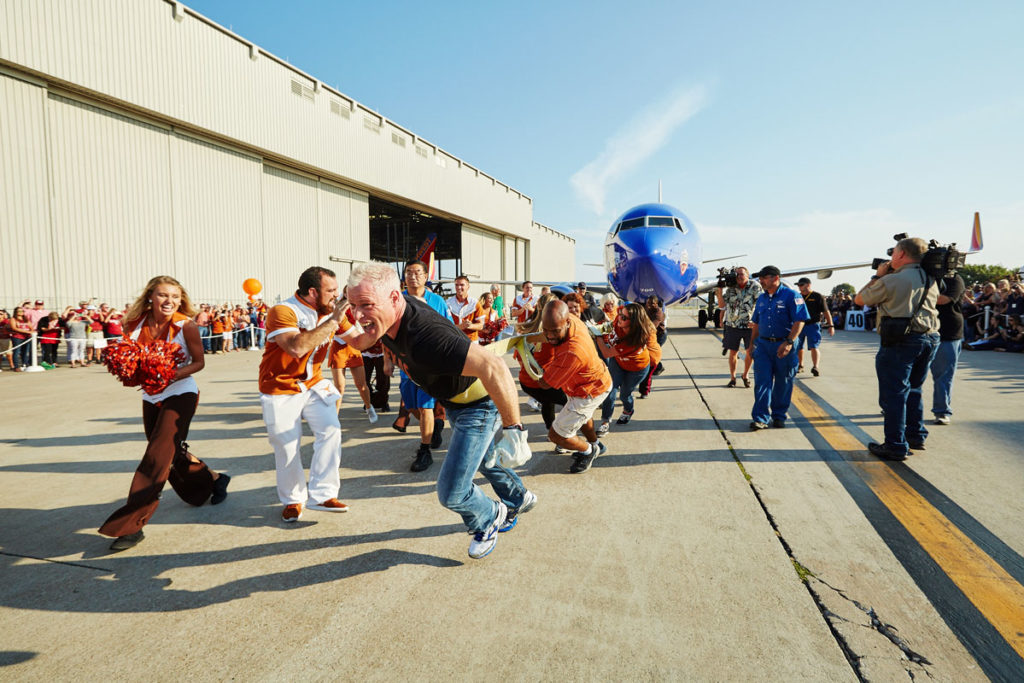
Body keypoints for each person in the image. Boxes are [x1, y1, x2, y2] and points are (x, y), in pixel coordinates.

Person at [344, 262, 535, 559]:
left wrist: (514, 430)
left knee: (453, 492)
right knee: (484, 461)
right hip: (455, 403)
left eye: (366, 305)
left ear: (395, 298)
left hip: (477, 406)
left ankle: (488, 517)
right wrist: (330, 324)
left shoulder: (426, 335)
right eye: (353, 304)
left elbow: (494, 366)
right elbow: (360, 339)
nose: (357, 314)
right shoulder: (385, 316)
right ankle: (519, 497)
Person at [99, 276, 230, 551]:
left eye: (175, 296)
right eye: (162, 295)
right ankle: (215, 479)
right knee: (169, 452)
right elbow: (128, 358)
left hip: (181, 393)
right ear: (150, 297)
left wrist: (170, 375)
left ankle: (132, 525)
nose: (169, 301)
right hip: (150, 395)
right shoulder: (132, 324)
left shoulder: (187, 325)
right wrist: (130, 371)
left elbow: (199, 363)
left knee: (156, 457)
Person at [259, 266, 351, 522]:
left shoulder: (330, 311)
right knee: (286, 446)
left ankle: (323, 495)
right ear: (313, 292)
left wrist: (382, 322)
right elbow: (295, 348)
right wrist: (332, 320)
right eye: (331, 290)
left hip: (313, 384)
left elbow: (360, 340)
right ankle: (293, 499)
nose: (336, 295)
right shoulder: (283, 311)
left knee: (331, 430)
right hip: (280, 387)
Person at [854, 238, 940, 461]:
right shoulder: (929, 277)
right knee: (914, 389)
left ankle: (895, 444)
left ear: (901, 255)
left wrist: (878, 276)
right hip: (929, 338)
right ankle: (916, 435)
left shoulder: (894, 279)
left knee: (894, 394)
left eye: (894, 253)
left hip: (901, 341)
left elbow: (860, 299)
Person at [536, 299, 612, 474]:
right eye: (546, 331)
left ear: (566, 322)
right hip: (594, 382)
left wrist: (530, 361)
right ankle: (595, 444)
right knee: (583, 419)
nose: (550, 336)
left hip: (588, 391)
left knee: (556, 435)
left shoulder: (572, 352)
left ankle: (587, 451)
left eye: (555, 331)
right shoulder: (571, 319)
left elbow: (545, 383)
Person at [392, 259, 452, 472]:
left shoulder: (437, 301)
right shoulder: (397, 301)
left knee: (425, 406)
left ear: (426, 276)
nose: (412, 275)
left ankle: (424, 451)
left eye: (417, 272)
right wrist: (386, 361)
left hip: (429, 365)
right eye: (409, 272)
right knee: (413, 408)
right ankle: (435, 425)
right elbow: (387, 332)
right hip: (406, 366)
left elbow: (449, 330)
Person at [749, 266, 809, 430]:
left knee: (784, 381)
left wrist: (789, 342)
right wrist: (751, 345)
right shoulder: (761, 298)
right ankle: (761, 418)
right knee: (762, 382)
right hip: (763, 345)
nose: (760, 281)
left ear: (775, 278)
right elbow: (756, 323)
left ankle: (779, 415)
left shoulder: (791, 296)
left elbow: (800, 320)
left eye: (763, 278)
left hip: (784, 345)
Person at [595, 302, 661, 434]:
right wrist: (601, 328)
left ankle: (628, 410)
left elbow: (607, 353)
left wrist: (597, 336)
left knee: (625, 394)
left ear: (634, 323)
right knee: (610, 390)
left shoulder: (635, 340)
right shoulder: (619, 321)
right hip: (619, 362)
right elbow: (609, 326)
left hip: (637, 368)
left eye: (624, 318)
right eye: (620, 315)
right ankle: (605, 421)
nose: (619, 318)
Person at [328, 288, 376, 424]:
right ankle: (334, 417)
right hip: (338, 347)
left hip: (353, 345)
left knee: (361, 384)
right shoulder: (336, 306)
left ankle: (368, 407)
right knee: (339, 386)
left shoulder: (358, 307)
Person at [929, 273, 965, 425]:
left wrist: (916, 294)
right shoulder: (924, 275)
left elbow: (942, 300)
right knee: (909, 374)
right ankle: (898, 408)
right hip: (924, 329)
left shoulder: (955, 279)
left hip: (948, 333)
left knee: (943, 376)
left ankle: (942, 411)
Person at [716, 267, 761, 388]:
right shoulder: (731, 288)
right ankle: (732, 378)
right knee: (733, 353)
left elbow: (762, 304)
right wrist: (719, 291)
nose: (739, 276)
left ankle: (745, 375)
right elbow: (721, 305)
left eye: (742, 274)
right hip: (732, 325)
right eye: (737, 275)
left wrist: (758, 320)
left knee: (750, 352)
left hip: (749, 326)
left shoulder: (755, 286)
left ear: (747, 275)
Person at [795, 278, 835, 376]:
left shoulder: (817, 296)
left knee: (814, 346)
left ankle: (815, 366)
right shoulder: (797, 296)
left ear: (808, 285)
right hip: (799, 325)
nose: (799, 287)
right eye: (798, 285)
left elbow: (826, 311)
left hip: (813, 325)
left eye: (801, 285)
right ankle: (800, 365)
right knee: (798, 346)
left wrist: (831, 325)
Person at [638, 295, 667, 398]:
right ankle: (659, 366)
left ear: (656, 304)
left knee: (651, 360)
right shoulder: (645, 309)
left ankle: (645, 390)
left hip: (658, 336)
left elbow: (652, 327)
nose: (648, 306)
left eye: (651, 304)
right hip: (647, 336)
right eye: (647, 303)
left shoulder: (659, 313)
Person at [447, 275, 483, 342]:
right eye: (456, 285)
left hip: (471, 342)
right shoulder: (448, 303)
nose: (459, 287)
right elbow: (446, 326)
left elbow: (481, 325)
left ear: (468, 287)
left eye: (462, 285)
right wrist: (461, 326)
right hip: (454, 341)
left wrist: (470, 325)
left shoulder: (475, 303)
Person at [8, 306, 33, 370]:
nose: (21, 312)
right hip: (17, 337)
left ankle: (25, 364)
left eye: (22, 311)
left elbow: (30, 326)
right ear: (16, 312)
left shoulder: (25, 319)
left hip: (27, 337)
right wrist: (26, 331)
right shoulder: (13, 319)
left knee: (25, 351)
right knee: (16, 351)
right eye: (19, 311)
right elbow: (14, 328)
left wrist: (31, 331)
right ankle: (16, 366)